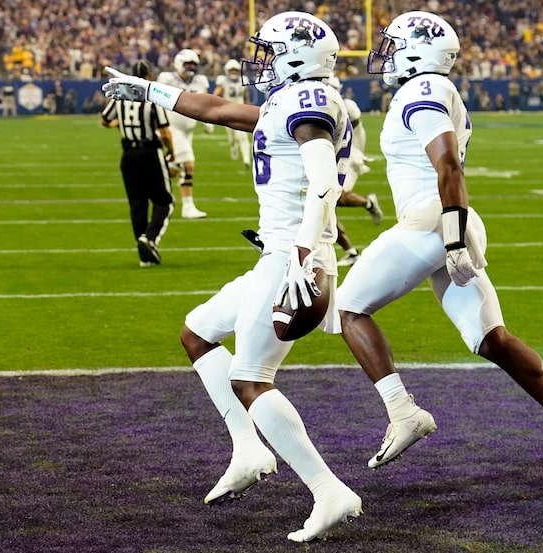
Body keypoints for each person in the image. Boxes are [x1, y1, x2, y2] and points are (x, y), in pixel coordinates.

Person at [103, 11, 362, 541]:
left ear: (295, 56)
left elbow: (321, 185)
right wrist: (150, 89)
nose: (259, 61)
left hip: (294, 258)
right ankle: (248, 449)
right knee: (197, 332)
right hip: (280, 253)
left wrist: (301, 253)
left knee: (250, 378)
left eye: (268, 51)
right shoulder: (289, 100)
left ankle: (329, 490)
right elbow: (218, 110)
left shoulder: (307, 105)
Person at [336, 11, 543, 489]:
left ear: (417, 51)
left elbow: (447, 166)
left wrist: (453, 233)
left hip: (434, 221)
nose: (386, 54)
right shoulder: (435, 90)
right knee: (491, 339)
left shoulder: (421, 90)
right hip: (445, 220)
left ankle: (404, 414)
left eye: (394, 44)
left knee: (348, 309)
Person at [100, 60, 175, 267]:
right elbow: (165, 132)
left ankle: (144, 254)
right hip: (150, 152)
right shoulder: (152, 96)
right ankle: (149, 239)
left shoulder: (121, 96)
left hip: (128, 154)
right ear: (150, 76)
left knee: (137, 203)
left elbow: (104, 120)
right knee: (165, 201)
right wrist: (172, 152)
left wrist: (121, 127)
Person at [326, 74, 383, 267]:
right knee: (326, 207)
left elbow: (355, 133)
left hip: (349, 157)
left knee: (335, 198)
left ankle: (368, 202)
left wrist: (357, 153)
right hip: (334, 157)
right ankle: (350, 252)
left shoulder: (347, 107)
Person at [158, 49, 212, 218]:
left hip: (188, 130)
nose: (191, 68)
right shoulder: (167, 79)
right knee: (188, 164)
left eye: (193, 65)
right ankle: (187, 207)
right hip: (172, 127)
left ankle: (153, 183)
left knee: (173, 168)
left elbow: (204, 103)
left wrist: (206, 121)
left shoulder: (200, 81)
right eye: (187, 64)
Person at [213, 59, 251, 169]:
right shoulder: (223, 81)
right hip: (228, 111)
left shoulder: (243, 80)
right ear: (227, 71)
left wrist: (247, 106)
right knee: (232, 137)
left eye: (235, 70)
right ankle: (233, 147)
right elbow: (216, 94)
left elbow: (245, 96)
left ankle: (246, 159)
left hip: (240, 111)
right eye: (231, 70)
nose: (233, 72)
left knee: (243, 137)